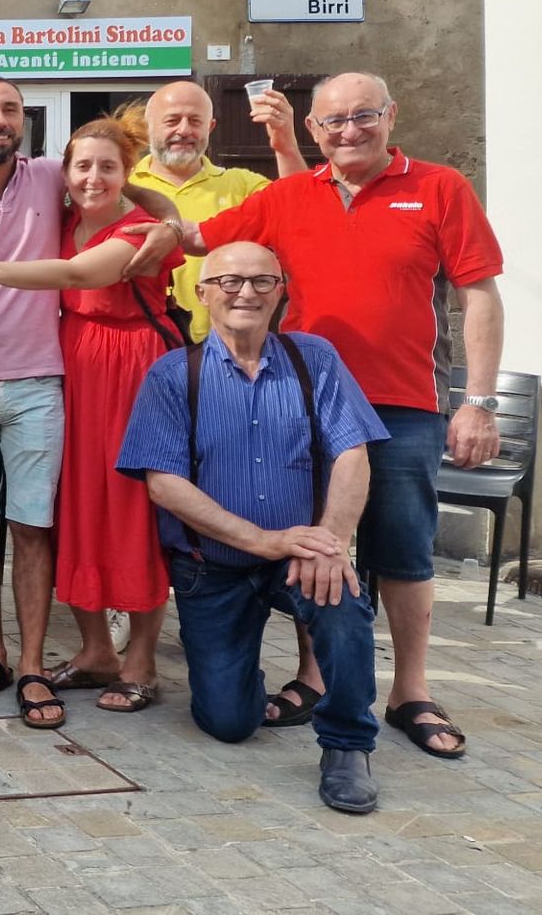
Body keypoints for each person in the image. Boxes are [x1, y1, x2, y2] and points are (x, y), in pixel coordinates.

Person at [145, 73, 505, 760]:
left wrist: (478, 402)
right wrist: (111, 193)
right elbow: (193, 239)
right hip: (302, 401)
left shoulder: (439, 187)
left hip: (403, 401)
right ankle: (315, 677)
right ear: (313, 130)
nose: (349, 130)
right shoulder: (286, 196)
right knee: (315, 543)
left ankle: (410, 690)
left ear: (391, 115)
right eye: (333, 120)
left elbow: (479, 295)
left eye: (363, 115)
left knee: (403, 549)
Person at [0, 77, 179, 729]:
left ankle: (34, 662)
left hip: (45, 379)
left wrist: (171, 219)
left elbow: (119, 191)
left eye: (10, 108)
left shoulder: (46, 176)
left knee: (37, 524)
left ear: (23, 122)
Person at [117, 242, 386, 814]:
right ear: (202, 292)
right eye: (230, 281)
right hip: (212, 569)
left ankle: (347, 745)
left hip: (300, 556)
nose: (246, 292)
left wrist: (332, 542)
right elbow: (164, 484)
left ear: (280, 291)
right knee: (229, 722)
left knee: (342, 602)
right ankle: (241, 676)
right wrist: (262, 540)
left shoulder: (315, 358)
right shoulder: (173, 375)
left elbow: (352, 453)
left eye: (263, 281)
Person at [132, 80, 304, 342]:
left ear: (210, 127)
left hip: (228, 346)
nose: (184, 130)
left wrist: (285, 144)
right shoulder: (123, 188)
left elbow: (301, 208)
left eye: (195, 121)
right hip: (144, 342)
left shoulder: (242, 185)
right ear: (148, 126)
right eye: (172, 120)